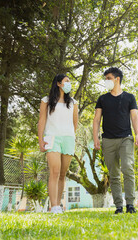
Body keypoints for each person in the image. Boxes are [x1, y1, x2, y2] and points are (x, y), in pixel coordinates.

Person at [93, 67, 138, 214]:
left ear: (117, 79)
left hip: (126, 138)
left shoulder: (129, 97)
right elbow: (96, 120)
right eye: (105, 78)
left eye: (108, 78)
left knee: (127, 168)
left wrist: (137, 134)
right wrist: (96, 137)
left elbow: (134, 117)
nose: (106, 81)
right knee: (113, 174)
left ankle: (130, 204)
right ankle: (119, 206)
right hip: (108, 140)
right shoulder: (102, 99)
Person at [37, 74, 78, 214]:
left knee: (62, 174)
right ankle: (53, 206)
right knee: (54, 171)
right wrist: (40, 139)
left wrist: (70, 136)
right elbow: (42, 121)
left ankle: (59, 204)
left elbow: (75, 123)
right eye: (67, 81)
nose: (69, 84)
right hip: (52, 138)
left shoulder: (73, 102)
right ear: (59, 83)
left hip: (68, 139)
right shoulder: (46, 101)